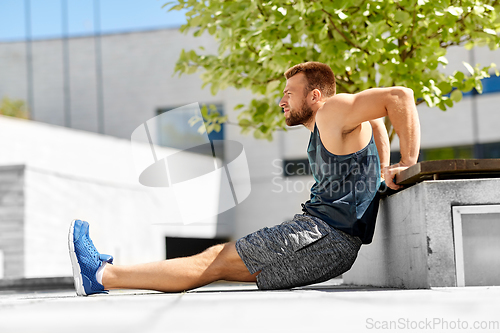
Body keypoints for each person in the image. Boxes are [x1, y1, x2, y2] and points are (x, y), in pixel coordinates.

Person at [68, 62, 420, 296]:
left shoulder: (333, 108)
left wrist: (404, 163)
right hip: (330, 243)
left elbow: (398, 97)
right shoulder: (334, 125)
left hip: (323, 235)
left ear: (314, 96)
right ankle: (103, 276)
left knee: (215, 260)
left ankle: (100, 275)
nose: (281, 100)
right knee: (214, 265)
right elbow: (376, 122)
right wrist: (379, 173)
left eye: (289, 93)